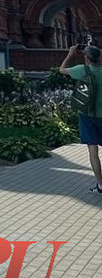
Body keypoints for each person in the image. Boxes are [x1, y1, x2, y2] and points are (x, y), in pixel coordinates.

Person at [60, 43, 102, 193]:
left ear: (86, 57)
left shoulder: (81, 70)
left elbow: (62, 70)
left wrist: (70, 55)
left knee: (92, 149)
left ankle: (100, 185)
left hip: (87, 115)